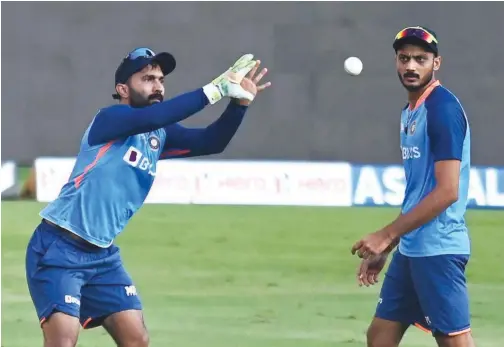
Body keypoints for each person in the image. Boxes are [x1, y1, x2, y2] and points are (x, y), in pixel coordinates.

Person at [25, 47, 271, 347]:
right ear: (122, 89)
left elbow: (212, 141)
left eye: (161, 79)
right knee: (63, 342)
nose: (158, 86)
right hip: (58, 248)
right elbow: (156, 116)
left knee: (137, 341)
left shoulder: (159, 134)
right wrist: (214, 90)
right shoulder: (110, 119)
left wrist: (239, 104)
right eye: (147, 79)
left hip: (102, 256)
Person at [351, 26, 475, 347]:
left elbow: (448, 191)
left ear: (436, 63)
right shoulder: (411, 111)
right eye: (404, 58)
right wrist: (391, 246)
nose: (411, 66)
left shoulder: (441, 109)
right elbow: (419, 191)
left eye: (421, 59)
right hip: (411, 249)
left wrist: (386, 234)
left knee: (454, 341)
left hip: (438, 249)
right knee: (379, 336)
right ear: (396, 62)